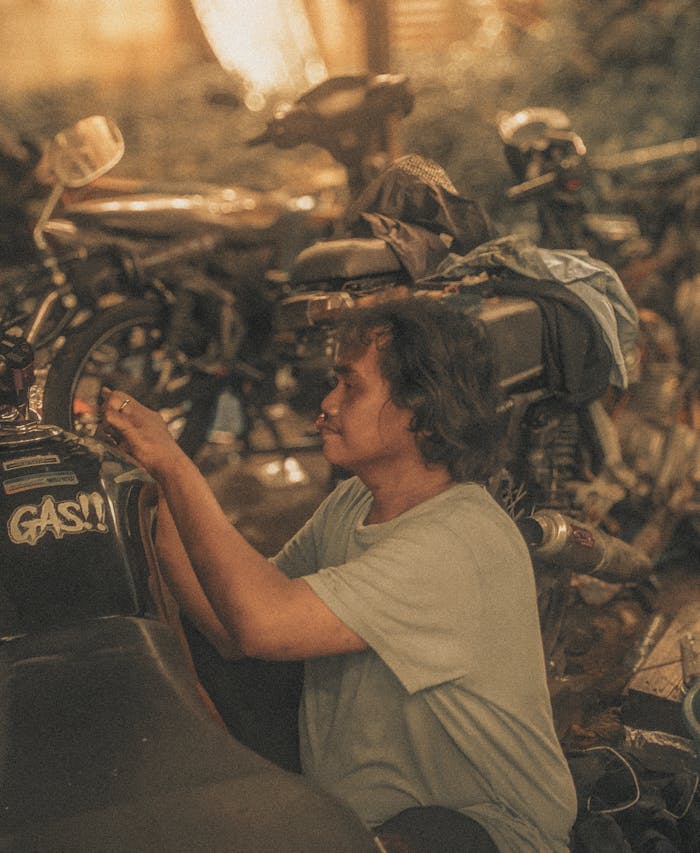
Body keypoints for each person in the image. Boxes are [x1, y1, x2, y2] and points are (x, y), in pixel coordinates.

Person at [102, 296, 577, 852]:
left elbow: (264, 624)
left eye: (351, 387)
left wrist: (174, 464)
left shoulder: (455, 541)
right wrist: (154, 502)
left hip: (484, 829)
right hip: (365, 818)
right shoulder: (355, 500)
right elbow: (233, 629)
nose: (327, 402)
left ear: (421, 411)